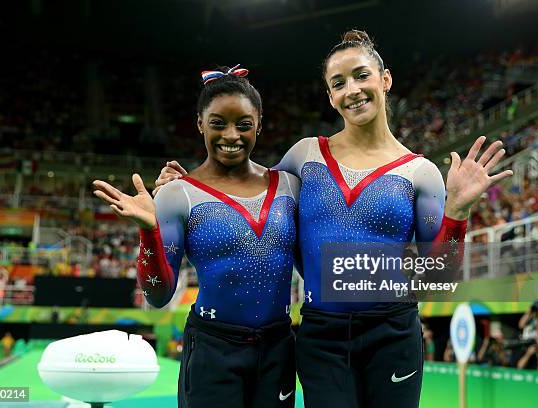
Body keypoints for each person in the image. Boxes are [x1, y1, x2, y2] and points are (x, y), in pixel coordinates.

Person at [156, 31, 512, 408]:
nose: (352, 90)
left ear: (385, 79)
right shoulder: (305, 156)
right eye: (338, 83)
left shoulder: (420, 172)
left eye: (361, 75)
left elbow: (439, 279)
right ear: (330, 96)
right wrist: (188, 185)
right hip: (321, 337)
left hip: (393, 333)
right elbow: (249, 198)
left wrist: (456, 211)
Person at [93, 66, 299, 408]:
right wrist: (150, 232)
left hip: (278, 349)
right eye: (218, 123)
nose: (231, 135)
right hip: (212, 350)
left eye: (243, 125)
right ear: (200, 123)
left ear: (259, 124)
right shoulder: (177, 195)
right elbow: (157, 297)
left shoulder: (290, 186)